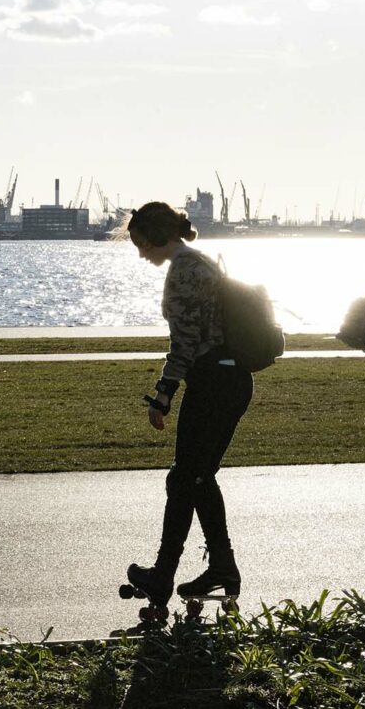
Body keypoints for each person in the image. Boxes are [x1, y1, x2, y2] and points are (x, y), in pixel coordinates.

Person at [125, 201, 254, 613]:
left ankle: (184, 573)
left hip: (215, 381)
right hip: (228, 380)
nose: (140, 252)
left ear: (157, 236)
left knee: (189, 477)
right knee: (191, 479)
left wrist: (163, 395)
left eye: (141, 243)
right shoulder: (200, 262)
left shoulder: (184, 272)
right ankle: (194, 571)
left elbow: (184, 343)